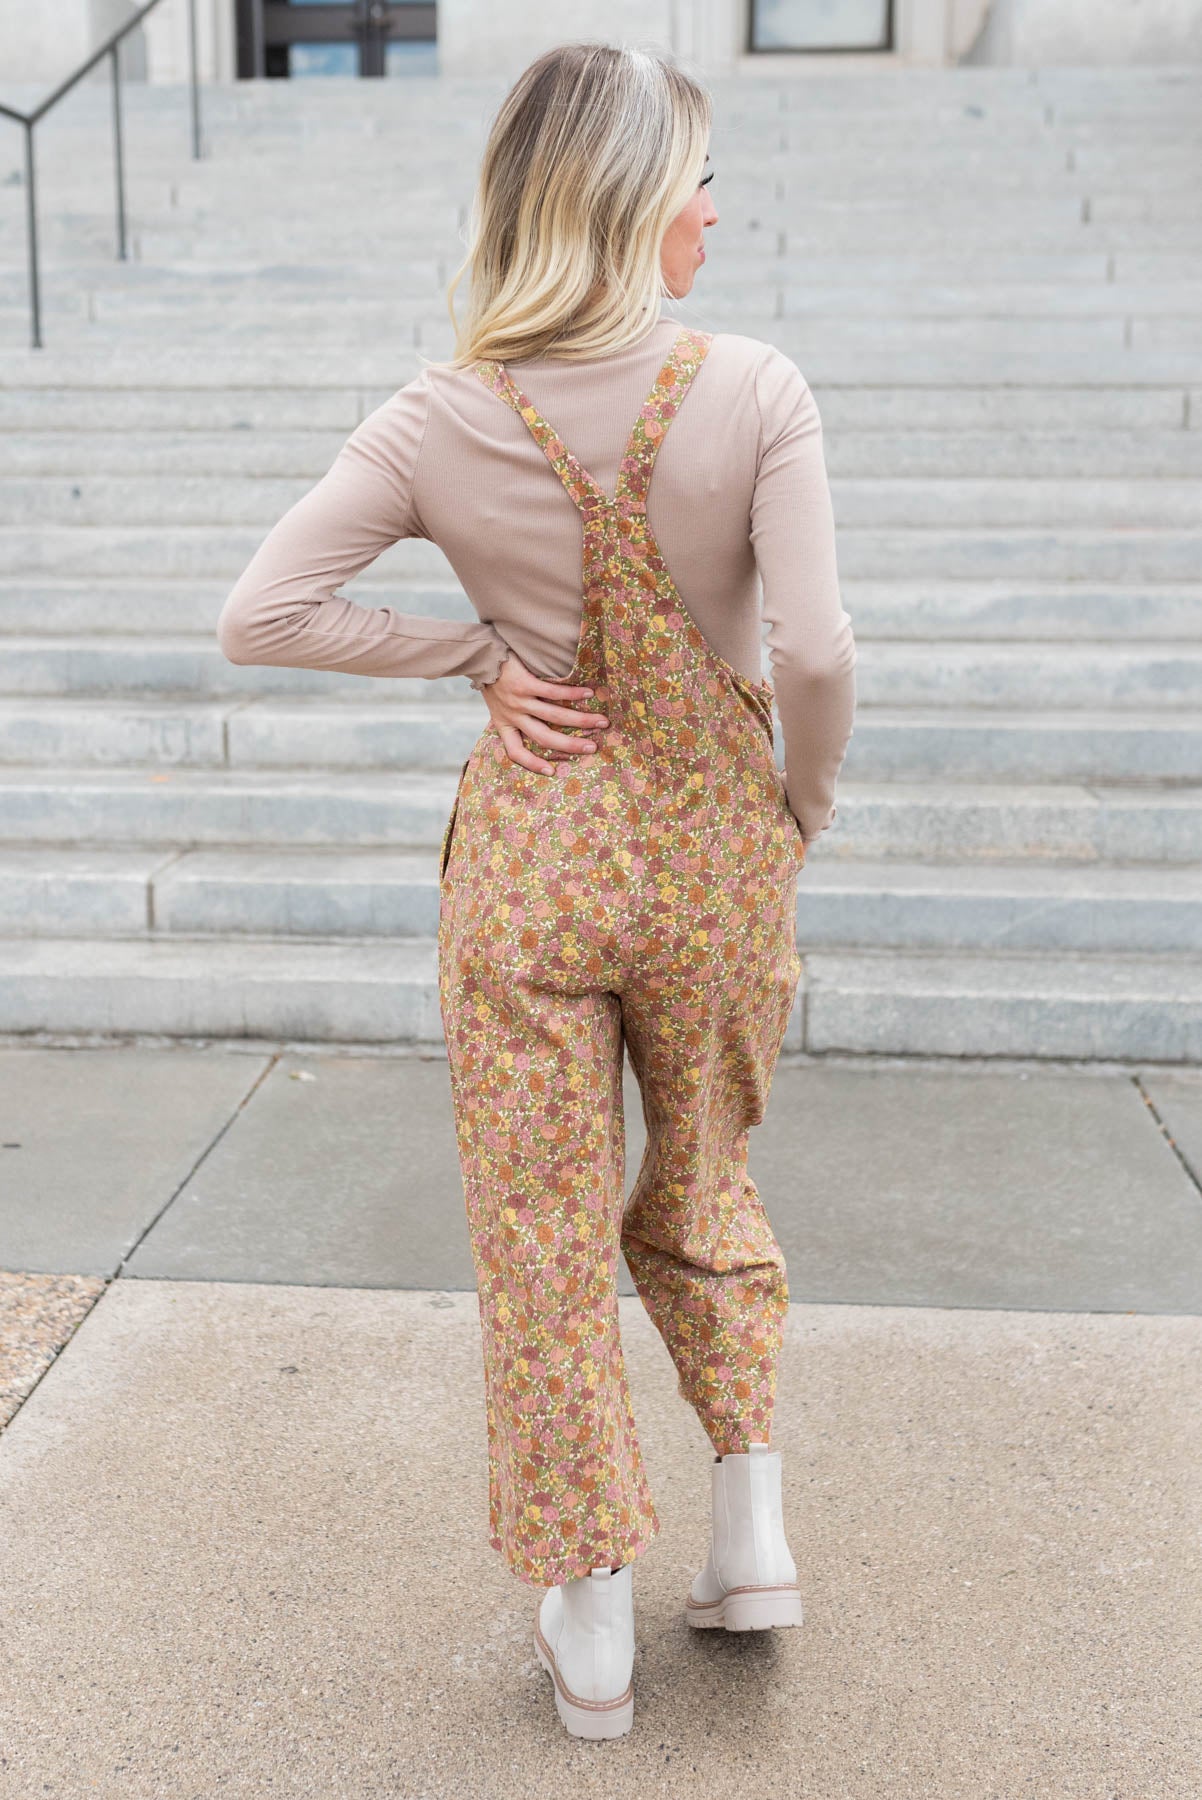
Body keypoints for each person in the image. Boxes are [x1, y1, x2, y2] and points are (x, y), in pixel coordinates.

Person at [216, 38, 856, 1742]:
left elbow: (260, 612)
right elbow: (815, 648)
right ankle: (749, 1530)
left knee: (538, 1232)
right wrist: (796, 803)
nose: (715, 214)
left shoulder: (439, 413)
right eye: (699, 179)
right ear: (638, 203)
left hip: (532, 858)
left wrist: (471, 651)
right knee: (706, 1185)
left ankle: (585, 1620)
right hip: (717, 857)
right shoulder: (757, 388)